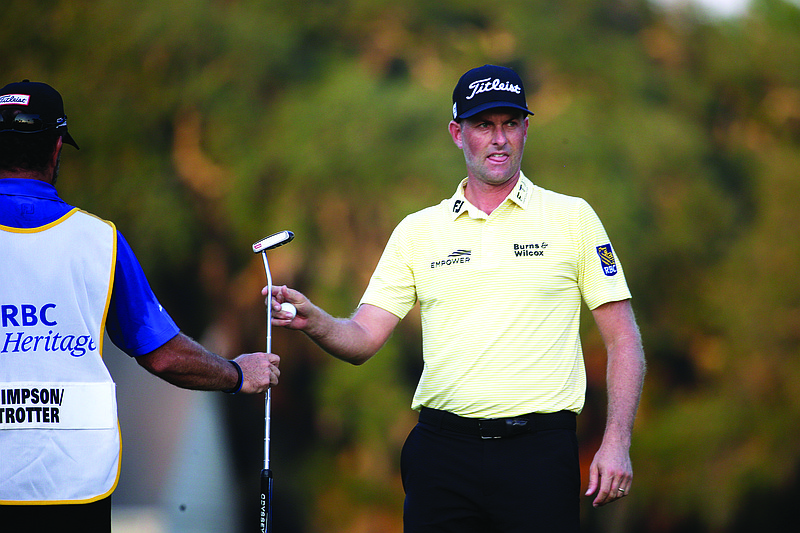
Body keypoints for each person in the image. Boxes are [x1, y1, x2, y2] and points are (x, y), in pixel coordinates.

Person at [267, 65, 646, 532]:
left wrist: (616, 439)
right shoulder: (418, 231)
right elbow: (364, 337)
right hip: (443, 454)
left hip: (539, 454)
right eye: (484, 125)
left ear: (526, 129)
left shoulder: (573, 219)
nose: (499, 139)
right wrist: (316, 321)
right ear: (457, 133)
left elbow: (623, 338)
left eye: (510, 123)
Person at [0, 80, 281, 531]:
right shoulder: (100, 241)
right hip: (75, 484)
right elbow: (165, 355)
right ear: (56, 148)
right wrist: (236, 373)